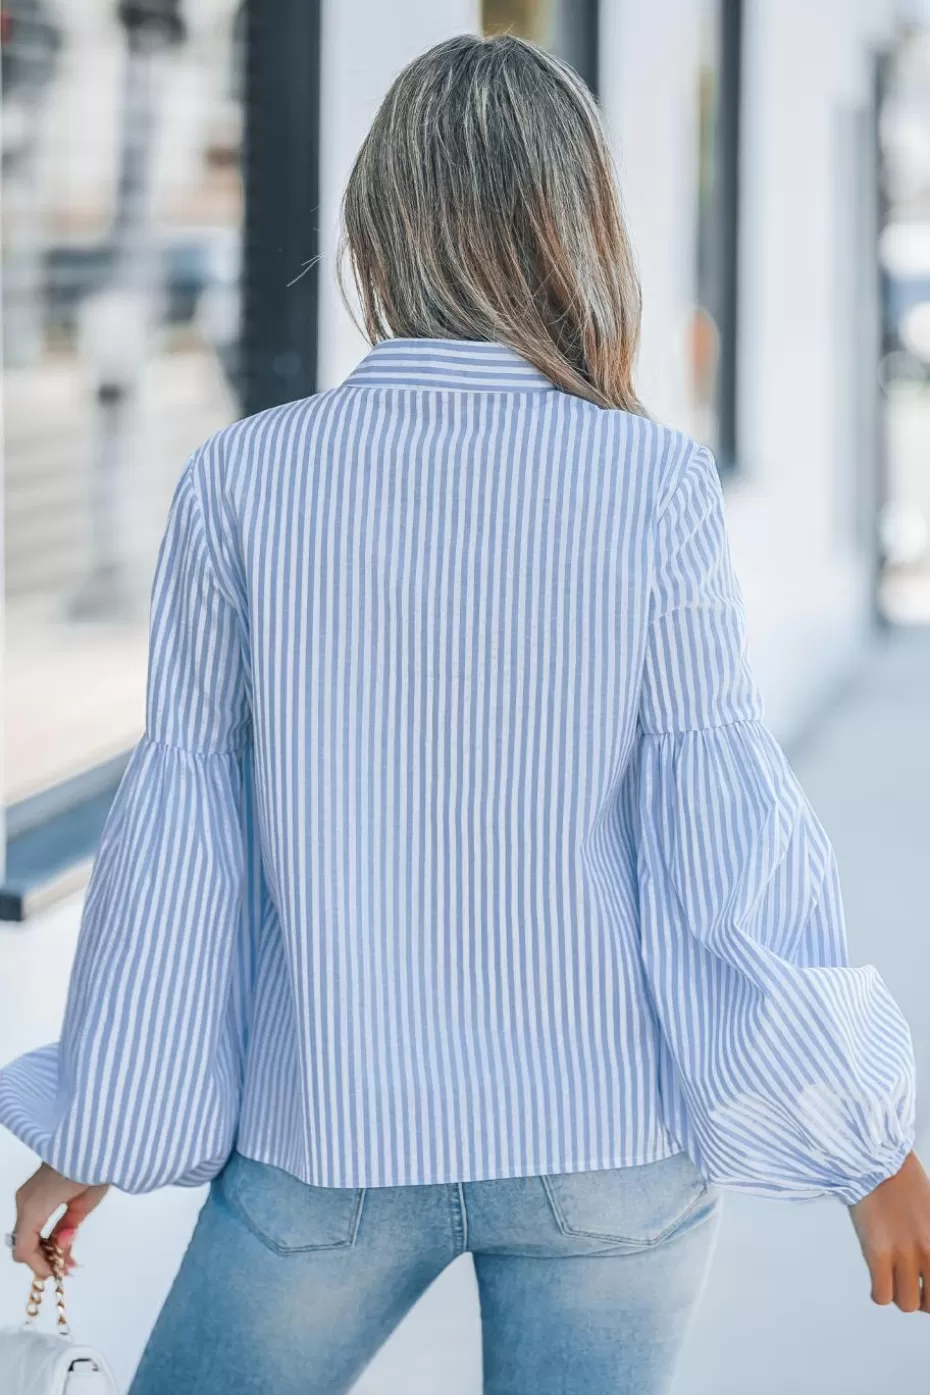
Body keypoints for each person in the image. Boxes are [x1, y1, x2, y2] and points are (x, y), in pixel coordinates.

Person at [2, 32, 927, 1395]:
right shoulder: (653, 487)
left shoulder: (246, 484)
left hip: (327, 1141)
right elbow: (724, 844)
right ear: (580, 229)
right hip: (604, 1152)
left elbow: (179, 841)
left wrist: (103, 1123)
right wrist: (867, 1146)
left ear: (376, 225)